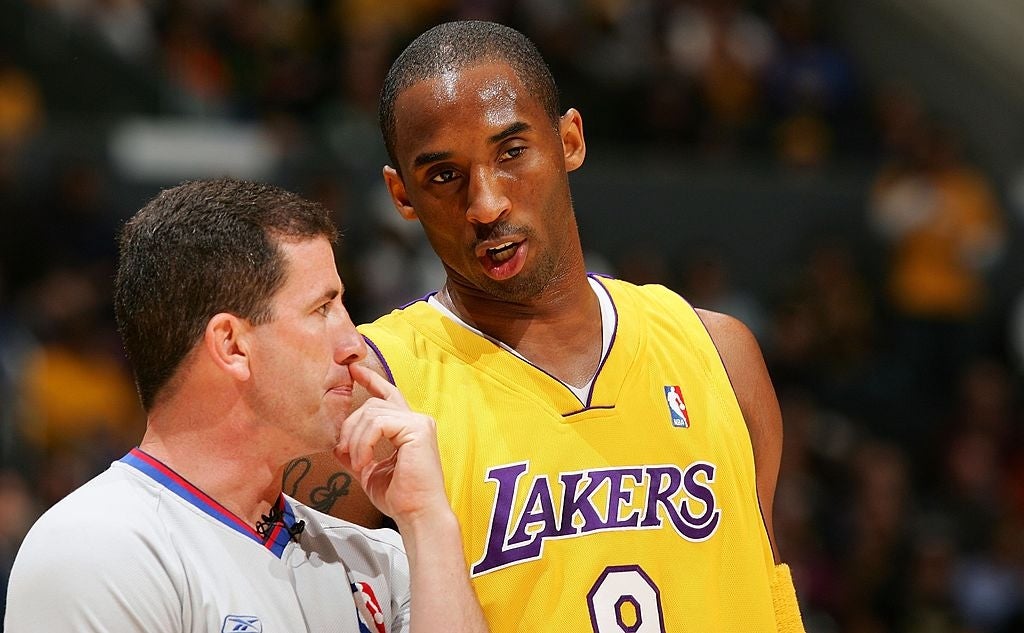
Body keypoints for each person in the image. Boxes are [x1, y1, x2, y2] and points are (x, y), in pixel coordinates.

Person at [295, 20, 806, 632]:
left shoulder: (721, 353)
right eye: (443, 176)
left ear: (570, 140)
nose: (486, 205)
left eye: (511, 153)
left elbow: (758, 586)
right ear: (401, 194)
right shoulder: (370, 393)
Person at [4, 178, 488, 633]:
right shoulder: (97, 549)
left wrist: (427, 520)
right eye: (322, 309)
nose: (355, 343)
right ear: (232, 345)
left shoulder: (378, 557)